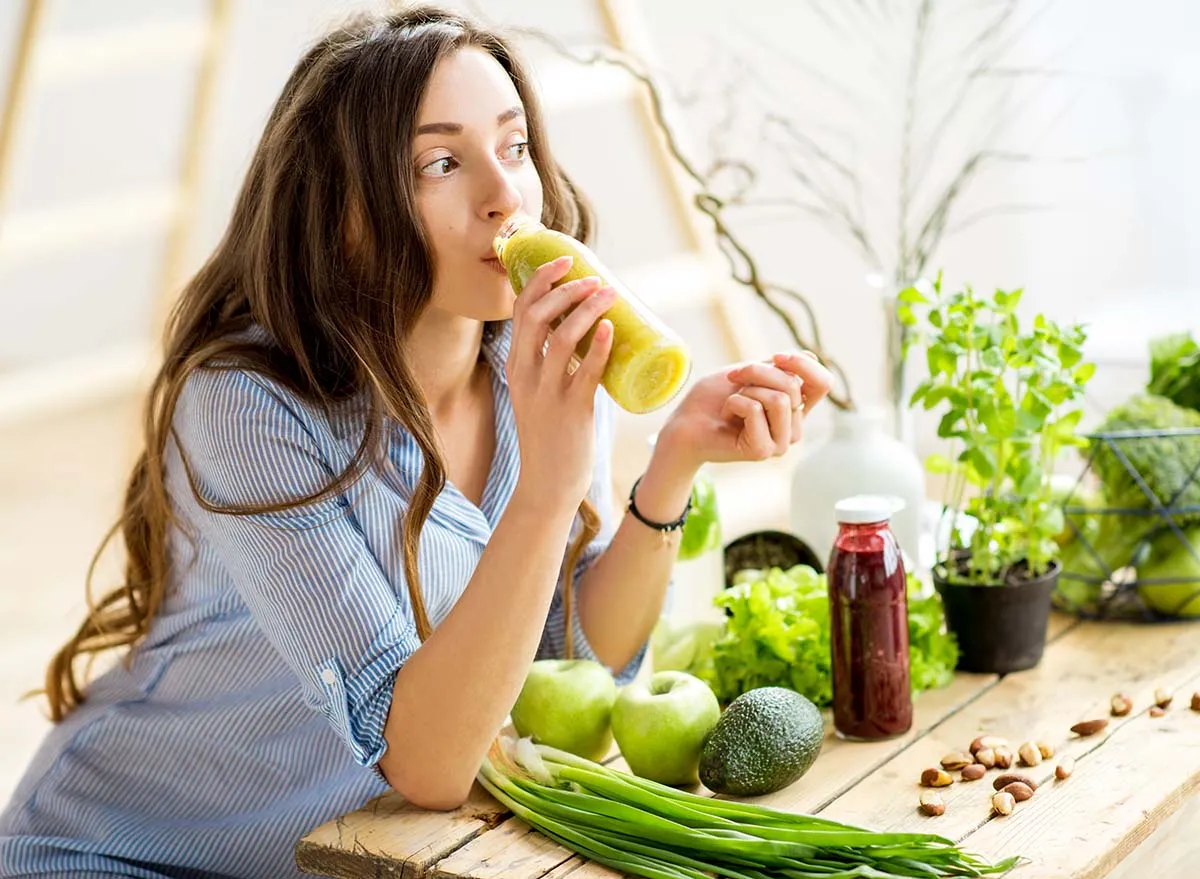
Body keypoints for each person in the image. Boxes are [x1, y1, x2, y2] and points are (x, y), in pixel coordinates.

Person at [0, 6, 832, 878]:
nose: (505, 195)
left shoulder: (532, 361)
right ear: (349, 213)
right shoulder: (245, 408)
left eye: (514, 149)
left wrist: (673, 466)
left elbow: (558, 660)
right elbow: (428, 761)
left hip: (347, 858)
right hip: (127, 854)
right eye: (442, 162)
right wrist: (550, 483)